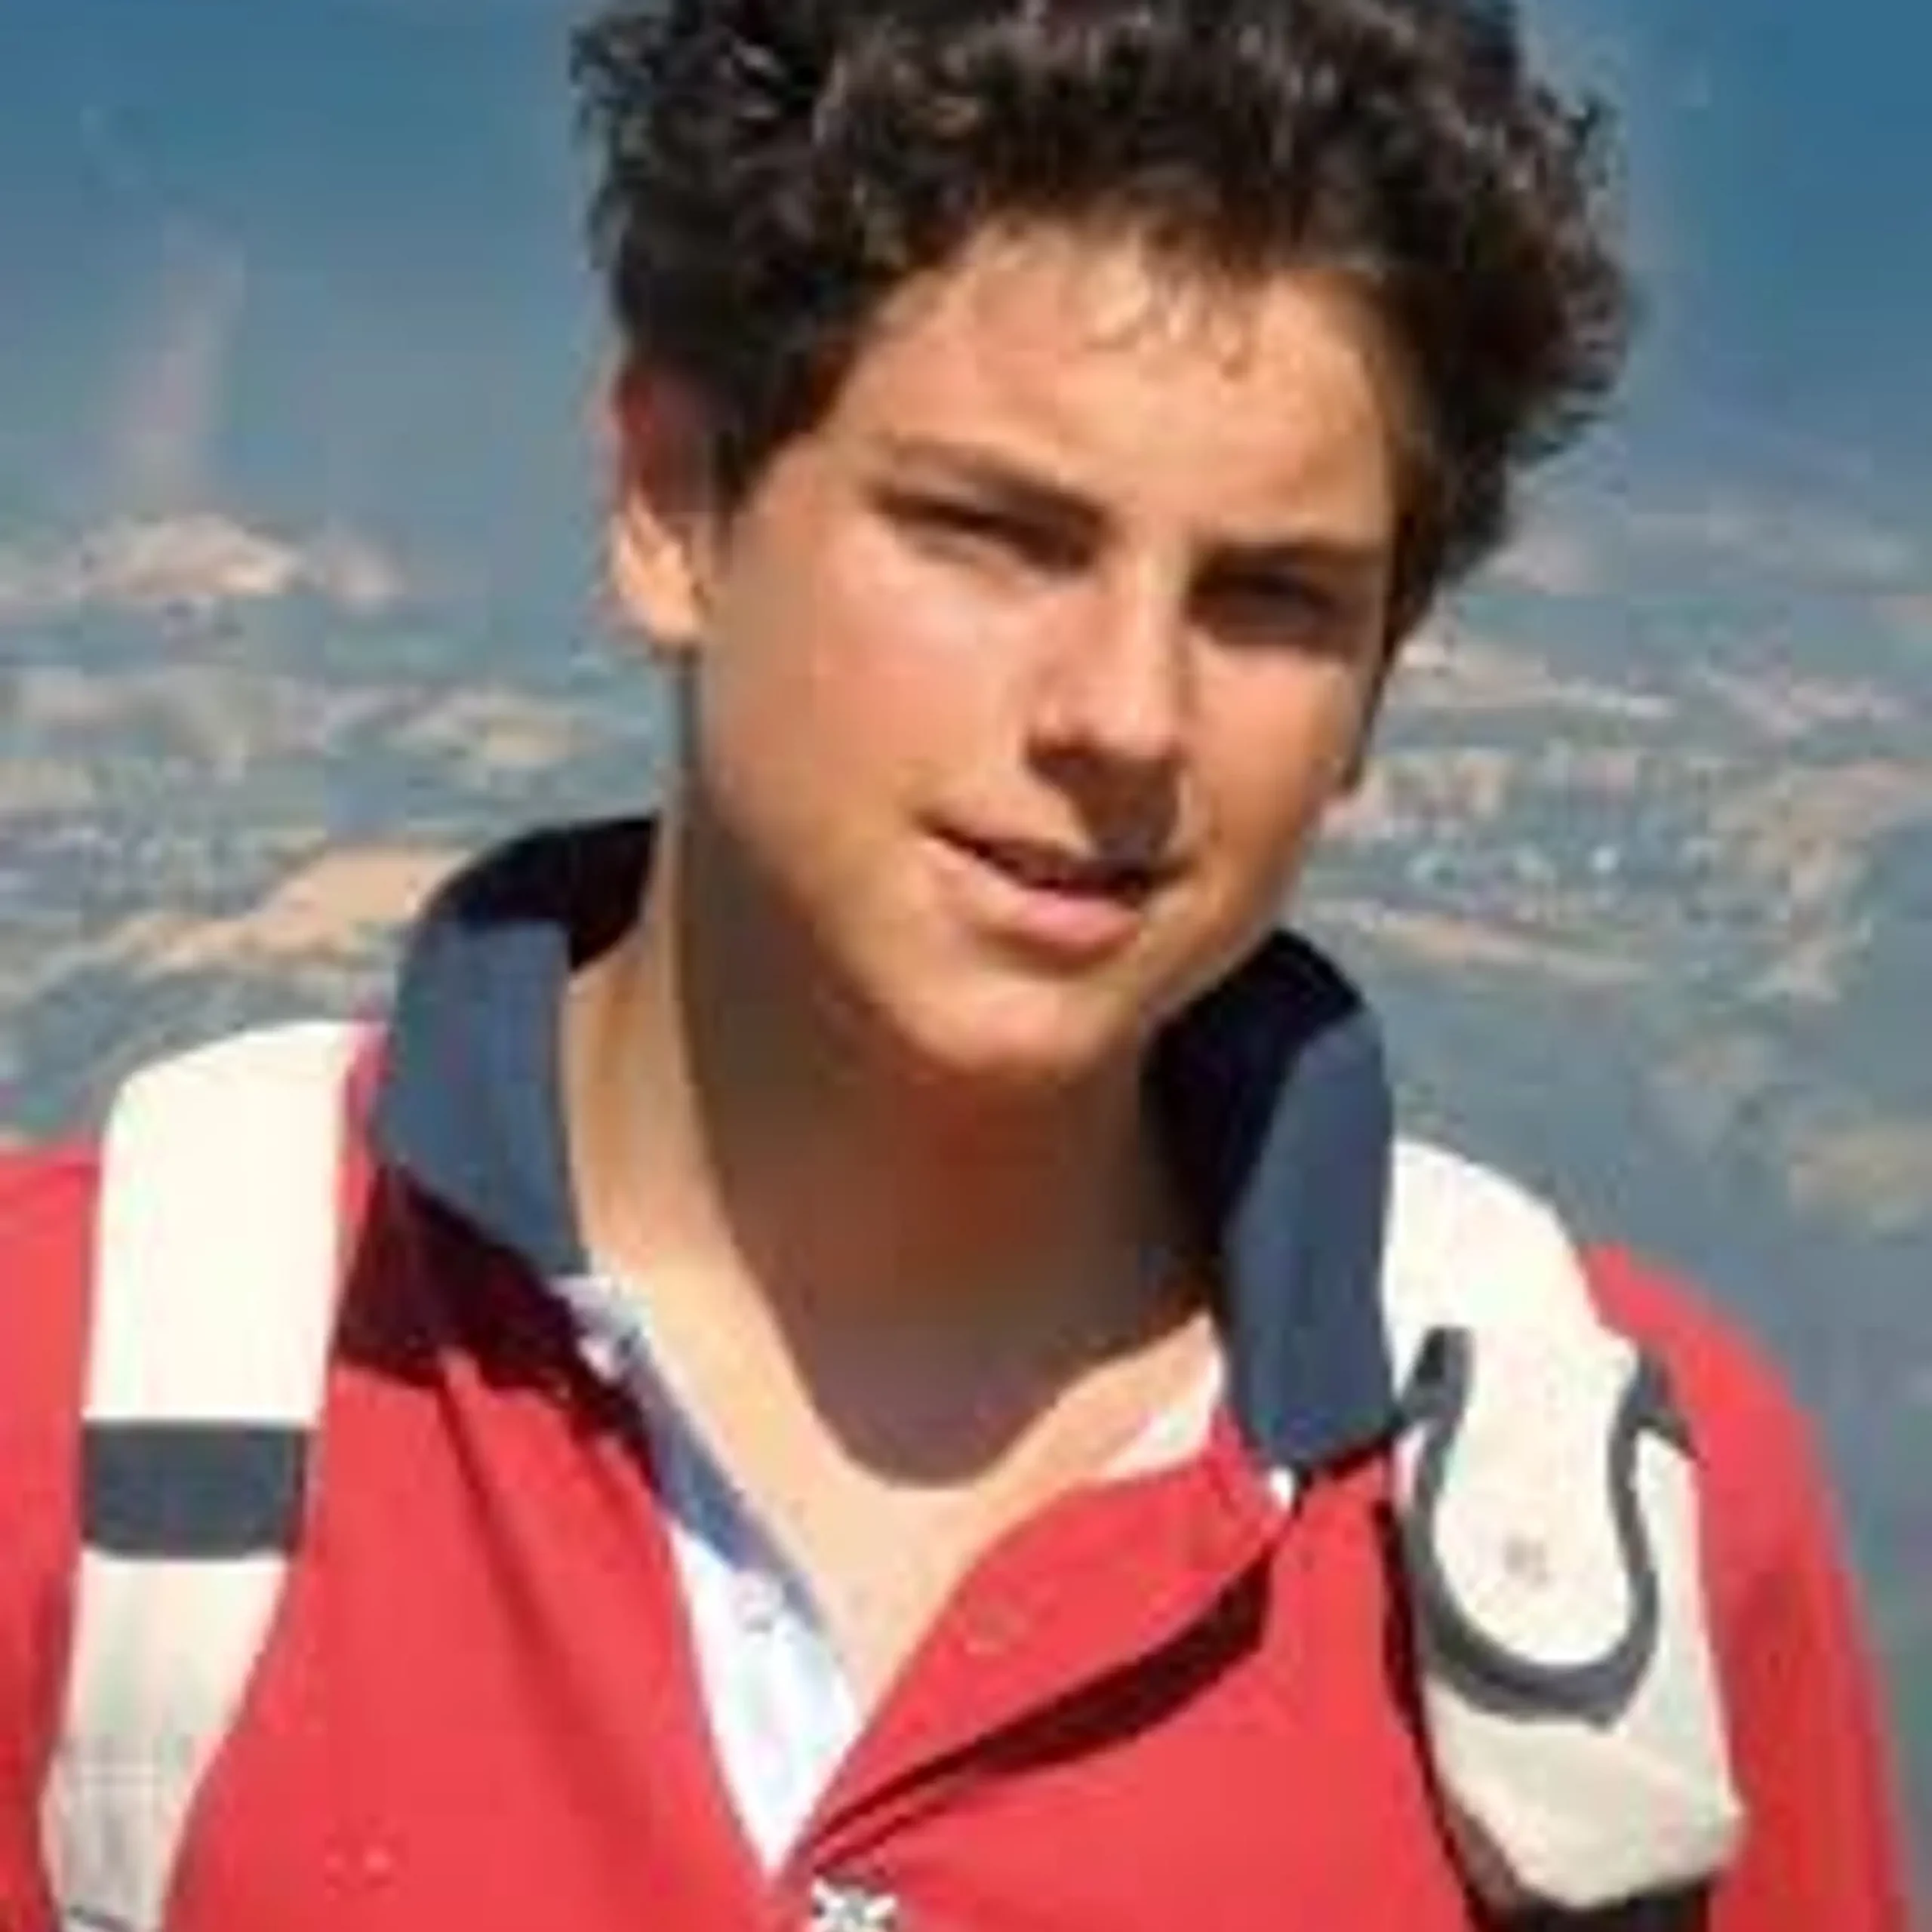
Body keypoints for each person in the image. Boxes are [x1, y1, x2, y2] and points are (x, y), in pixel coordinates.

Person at [0, 0, 1912, 1926]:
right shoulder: (64, 1405)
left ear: (1379, 677)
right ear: (673, 500)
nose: (1124, 713)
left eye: (1269, 599)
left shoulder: (1614, 1544)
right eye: (992, 535)